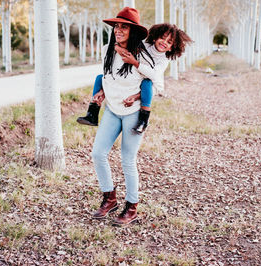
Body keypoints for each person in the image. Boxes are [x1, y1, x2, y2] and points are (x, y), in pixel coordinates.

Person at [89, 7, 155, 226]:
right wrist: (102, 91)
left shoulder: (142, 56)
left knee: (128, 160)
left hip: (133, 113)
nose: (118, 30)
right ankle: (110, 198)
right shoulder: (107, 50)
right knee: (98, 153)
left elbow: (152, 82)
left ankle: (131, 206)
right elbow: (109, 77)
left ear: (133, 31)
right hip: (112, 110)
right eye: (117, 26)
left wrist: (137, 96)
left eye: (124, 26)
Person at [77, 23, 192, 134]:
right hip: (133, 82)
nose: (164, 42)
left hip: (151, 85)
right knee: (100, 78)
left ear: (172, 48)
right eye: (162, 38)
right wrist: (117, 47)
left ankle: (143, 121)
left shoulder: (164, 60)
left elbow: (154, 76)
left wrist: (135, 63)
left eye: (169, 42)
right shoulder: (143, 46)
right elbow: (125, 44)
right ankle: (92, 112)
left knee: (147, 83)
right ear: (155, 38)